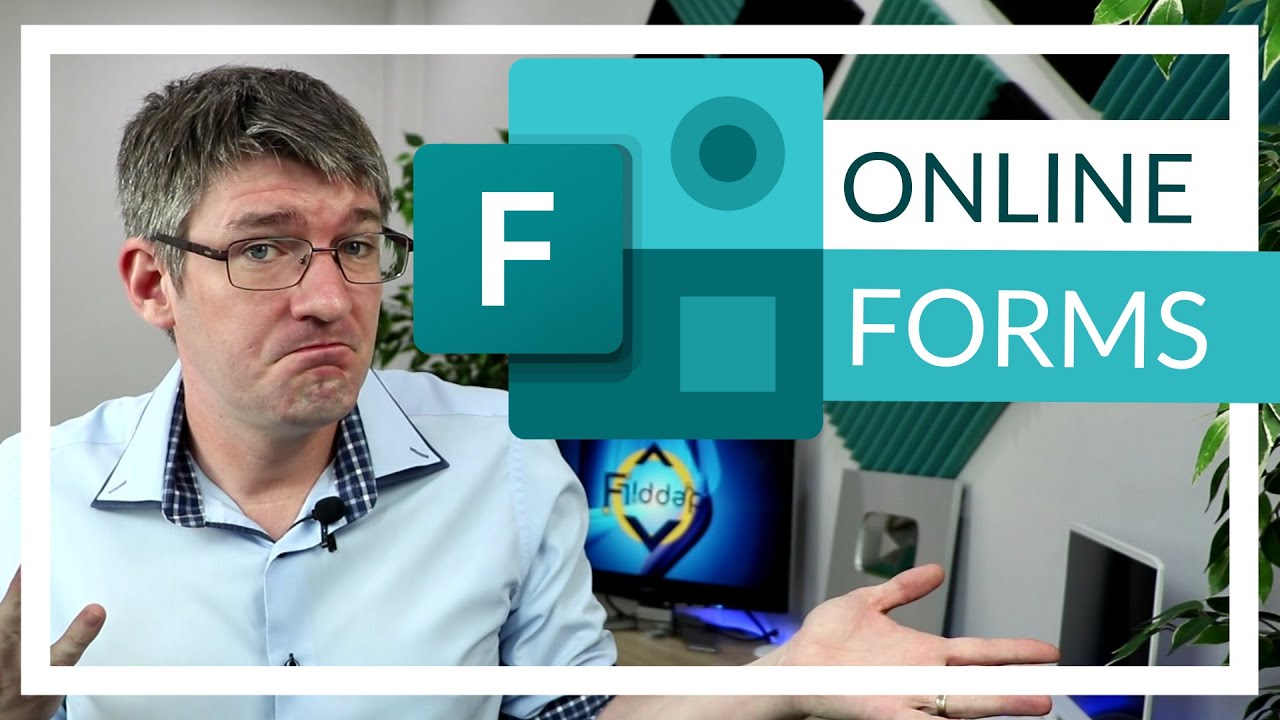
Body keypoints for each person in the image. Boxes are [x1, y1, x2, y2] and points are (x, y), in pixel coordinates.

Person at [0, 65, 1058, 720]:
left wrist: (778, 683)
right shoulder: (26, 499)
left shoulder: (503, 456)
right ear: (154, 284)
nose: (328, 298)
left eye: (357, 245)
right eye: (264, 248)